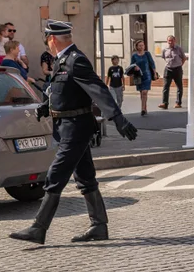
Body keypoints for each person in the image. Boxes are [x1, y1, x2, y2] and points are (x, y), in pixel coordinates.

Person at [9, 20, 137, 245]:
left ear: (52, 40)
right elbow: (61, 90)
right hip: (69, 127)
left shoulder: (76, 60)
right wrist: (46, 105)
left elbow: (98, 89)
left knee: (55, 176)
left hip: (76, 128)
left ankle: (38, 228)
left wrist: (118, 119)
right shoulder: (62, 60)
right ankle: (99, 226)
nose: (48, 44)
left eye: (47, 40)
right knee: (85, 177)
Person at [128, 39, 155, 116]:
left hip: (147, 75)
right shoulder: (134, 56)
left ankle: (143, 109)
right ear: (136, 47)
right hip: (138, 76)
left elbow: (152, 63)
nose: (142, 47)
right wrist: (135, 67)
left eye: (143, 45)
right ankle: (144, 107)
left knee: (144, 92)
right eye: (140, 45)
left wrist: (154, 73)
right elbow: (131, 65)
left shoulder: (147, 54)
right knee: (141, 92)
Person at [160, 36, 186, 110]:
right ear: (167, 41)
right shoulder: (165, 49)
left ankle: (178, 102)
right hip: (168, 69)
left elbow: (184, 58)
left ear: (175, 41)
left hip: (177, 69)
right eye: (169, 41)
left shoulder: (178, 48)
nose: (170, 42)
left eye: (172, 40)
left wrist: (180, 65)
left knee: (179, 86)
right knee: (165, 86)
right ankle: (165, 103)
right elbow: (164, 58)